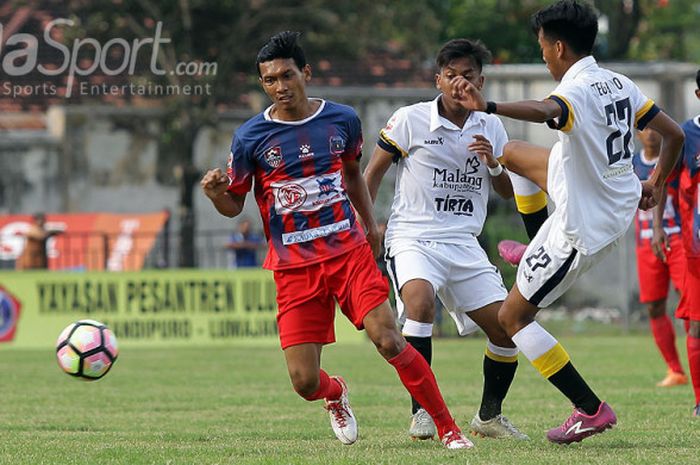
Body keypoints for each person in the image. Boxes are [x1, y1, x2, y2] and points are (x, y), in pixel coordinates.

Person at [200, 31, 471, 449]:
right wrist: (217, 192)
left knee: (389, 338)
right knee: (304, 381)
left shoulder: (341, 120)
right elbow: (234, 206)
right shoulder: (250, 137)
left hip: (347, 251)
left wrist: (371, 224)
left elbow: (351, 176)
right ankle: (334, 393)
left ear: (305, 73)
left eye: (287, 75)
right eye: (270, 80)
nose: (280, 86)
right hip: (293, 266)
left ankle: (448, 428)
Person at [450, 0, 685, 443]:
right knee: (513, 153)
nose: (542, 55)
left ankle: (590, 409)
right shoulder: (618, 81)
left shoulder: (573, 92)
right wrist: (653, 181)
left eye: (542, 48)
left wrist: (491, 104)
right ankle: (536, 243)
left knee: (512, 317)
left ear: (558, 46)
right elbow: (672, 135)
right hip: (614, 193)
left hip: (584, 224)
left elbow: (546, 110)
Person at [364, 38, 527, 442]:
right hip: (413, 237)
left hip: (464, 243)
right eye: (451, 75)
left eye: (467, 75)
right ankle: (421, 413)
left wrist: (492, 163)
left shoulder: (490, 123)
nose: (459, 82)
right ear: (438, 79)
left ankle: (489, 417)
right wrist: (369, 226)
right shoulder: (410, 119)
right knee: (419, 305)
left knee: (508, 328)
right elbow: (371, 175)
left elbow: (507, 191)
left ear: (481, 80)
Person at [632, 128, 687, 387]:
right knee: (654, 305)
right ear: (636, 133)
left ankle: (694, 361)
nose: (651, 133)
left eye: (656, 127)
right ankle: (675, 370)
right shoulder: (631, 163)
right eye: (644, 128)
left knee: (688, 304)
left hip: (678, 238)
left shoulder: (674, 156)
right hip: (645, 243)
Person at [673, 68, 700, 416]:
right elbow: (664, 182)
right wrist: (663, 228)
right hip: (694, 245)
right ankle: (698, 399)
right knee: (696, 322)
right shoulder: (685, 134)